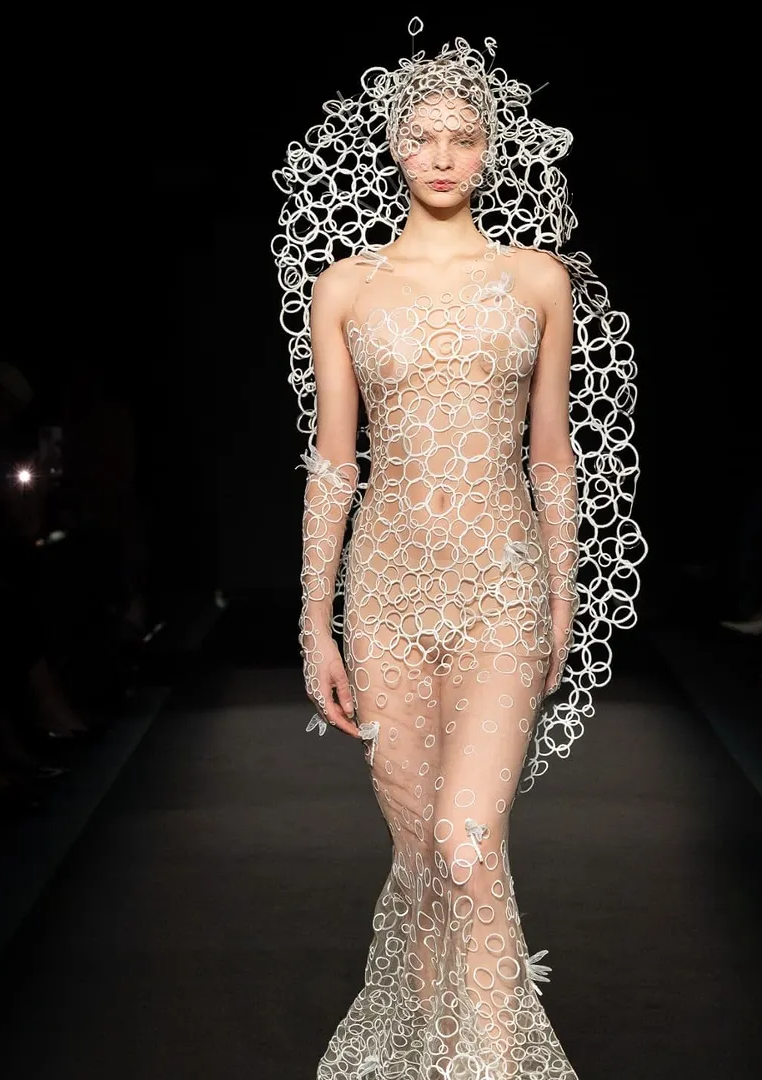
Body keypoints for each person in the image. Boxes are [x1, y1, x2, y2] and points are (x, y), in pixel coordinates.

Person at [275, 24, 644, 1078]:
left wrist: (562, 602)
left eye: (464, 137)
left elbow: (553, 455)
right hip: (386, 597)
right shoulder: (347, 288)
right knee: (422, 861)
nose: (442, 156)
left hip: (502, 595)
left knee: (465, 847)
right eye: (424, 136)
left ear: (493, 149)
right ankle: (436, 1058)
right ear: (393, 146)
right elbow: (334, 463)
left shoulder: (537, 281)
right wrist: (315, 622)